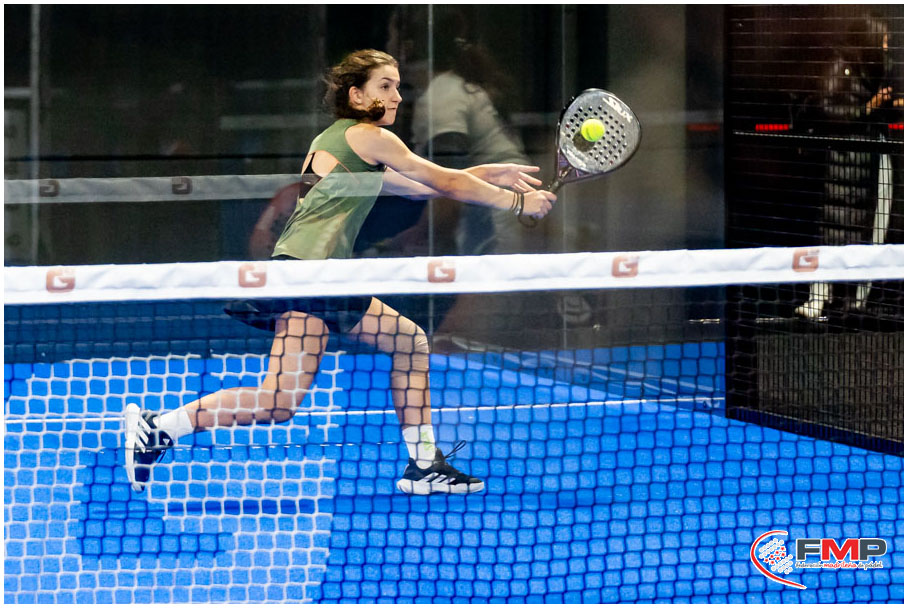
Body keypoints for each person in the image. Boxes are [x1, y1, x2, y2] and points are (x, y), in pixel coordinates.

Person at [124, 49, 556, 495]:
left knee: (381, 355)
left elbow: (419, 186)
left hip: (311, 275)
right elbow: (440, 181)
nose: (397, 96)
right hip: (310, 275)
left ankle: (424, 463)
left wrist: (489, 175)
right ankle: (161, 427)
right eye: (384, 86)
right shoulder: (368, 136)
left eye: (398, 87)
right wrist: (517, 202)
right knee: (286, 397)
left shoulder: (338, 141)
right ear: (356, 95)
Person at [795, 17, 903, 317]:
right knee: (833, 228)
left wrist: (891, 104)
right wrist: (870, 106)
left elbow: (878, 106)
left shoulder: (877, 69)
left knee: (869, 228)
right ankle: (820, 297)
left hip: (869, 157)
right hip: (844, 160)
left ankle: (856, 301)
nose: (887, 46)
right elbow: (828, 109)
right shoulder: (841, 65)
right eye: (882, 40)